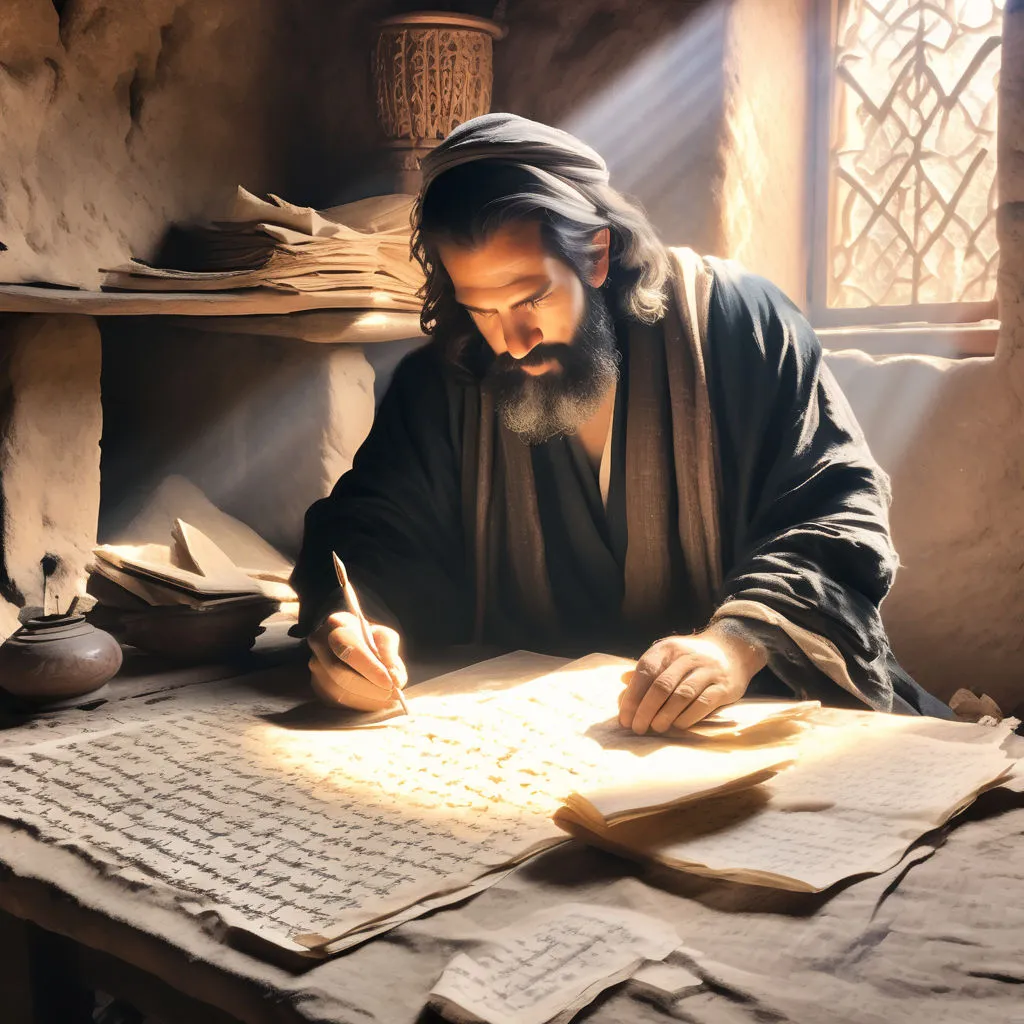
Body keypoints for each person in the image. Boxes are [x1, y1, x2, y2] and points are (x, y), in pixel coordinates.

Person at [291, 113, 952, 732]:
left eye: (533, 298)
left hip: (754, 717)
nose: (512, 340)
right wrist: (354, 626)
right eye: (483, 310)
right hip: (541, 740)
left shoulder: (736, 326)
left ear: (597, 257)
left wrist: (735, 645)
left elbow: (834, 513)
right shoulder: (449, 381)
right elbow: (371, 535)